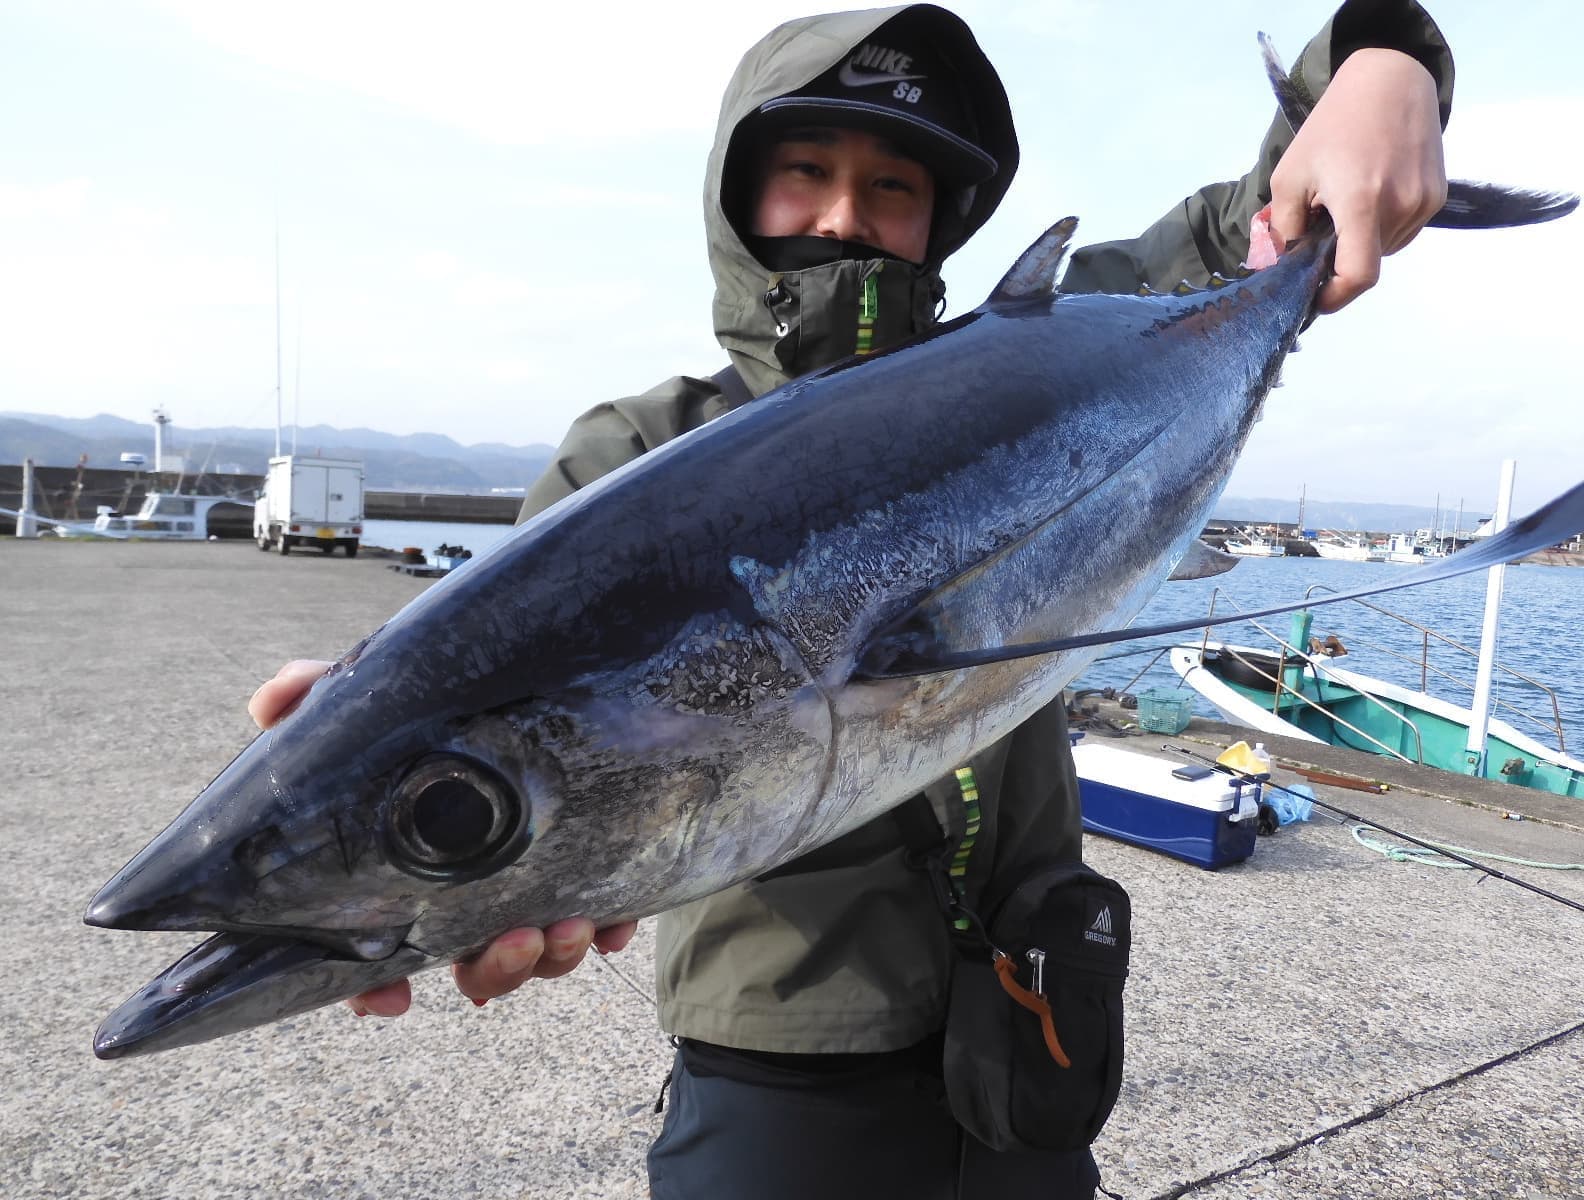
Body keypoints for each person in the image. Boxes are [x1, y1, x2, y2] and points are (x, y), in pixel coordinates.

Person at [249, 3, 1452, 1195]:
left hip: (1040, 1008)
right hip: (781, 1062)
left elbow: (1268, 208)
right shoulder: (638, 453)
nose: (843, 215)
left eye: (892, 186)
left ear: (941, 216)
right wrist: (390, 734)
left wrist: (1380, 58)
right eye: (805, 170)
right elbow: (521, 681)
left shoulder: (1042, 356)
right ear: (736, 194)